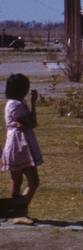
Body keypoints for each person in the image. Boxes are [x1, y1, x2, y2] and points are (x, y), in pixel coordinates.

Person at [2, 73, 43, 226]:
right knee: (26, 180)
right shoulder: (16, 105)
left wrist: (26, 123)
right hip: (19, 144)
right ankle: (19, 213)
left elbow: (29, 123)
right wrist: (33, 103)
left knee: (21, 180)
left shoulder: (15, 103)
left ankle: (19, 211)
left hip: (18, 143)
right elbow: (33, 122)